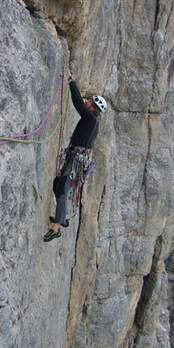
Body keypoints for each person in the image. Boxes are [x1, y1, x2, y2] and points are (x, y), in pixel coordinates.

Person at [44, 71, 107, 242]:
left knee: (62, 189)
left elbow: (78, 103)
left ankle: (56, 227)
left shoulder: (90, 119)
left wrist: (72, 82)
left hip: (75, 161)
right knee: (58, 185)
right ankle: (62, 218)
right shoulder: (93, 122)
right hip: (75, 159)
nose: (87, 103)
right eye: (88, 101)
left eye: (90, 102)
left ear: (93, 108)